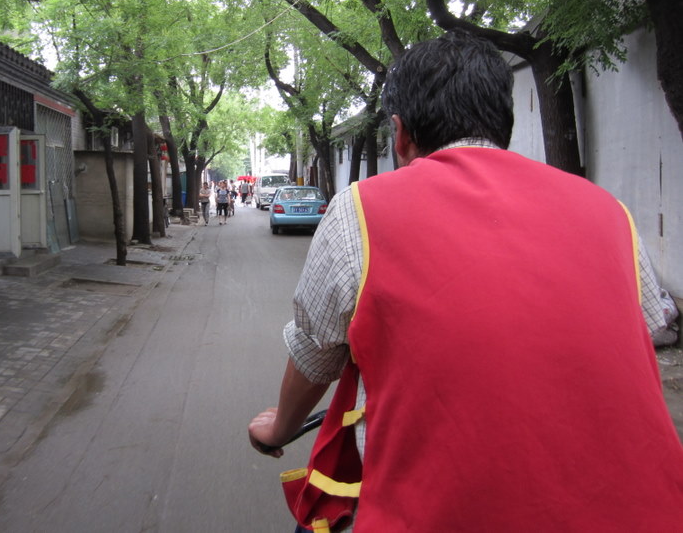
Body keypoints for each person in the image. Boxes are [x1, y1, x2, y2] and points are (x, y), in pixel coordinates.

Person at [248, 30, 683, 532]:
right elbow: (648, 327)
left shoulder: (360, 211)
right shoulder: (610, 211)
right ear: (503, 122)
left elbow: (316, 353)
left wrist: (278, 428)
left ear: (400, 133)